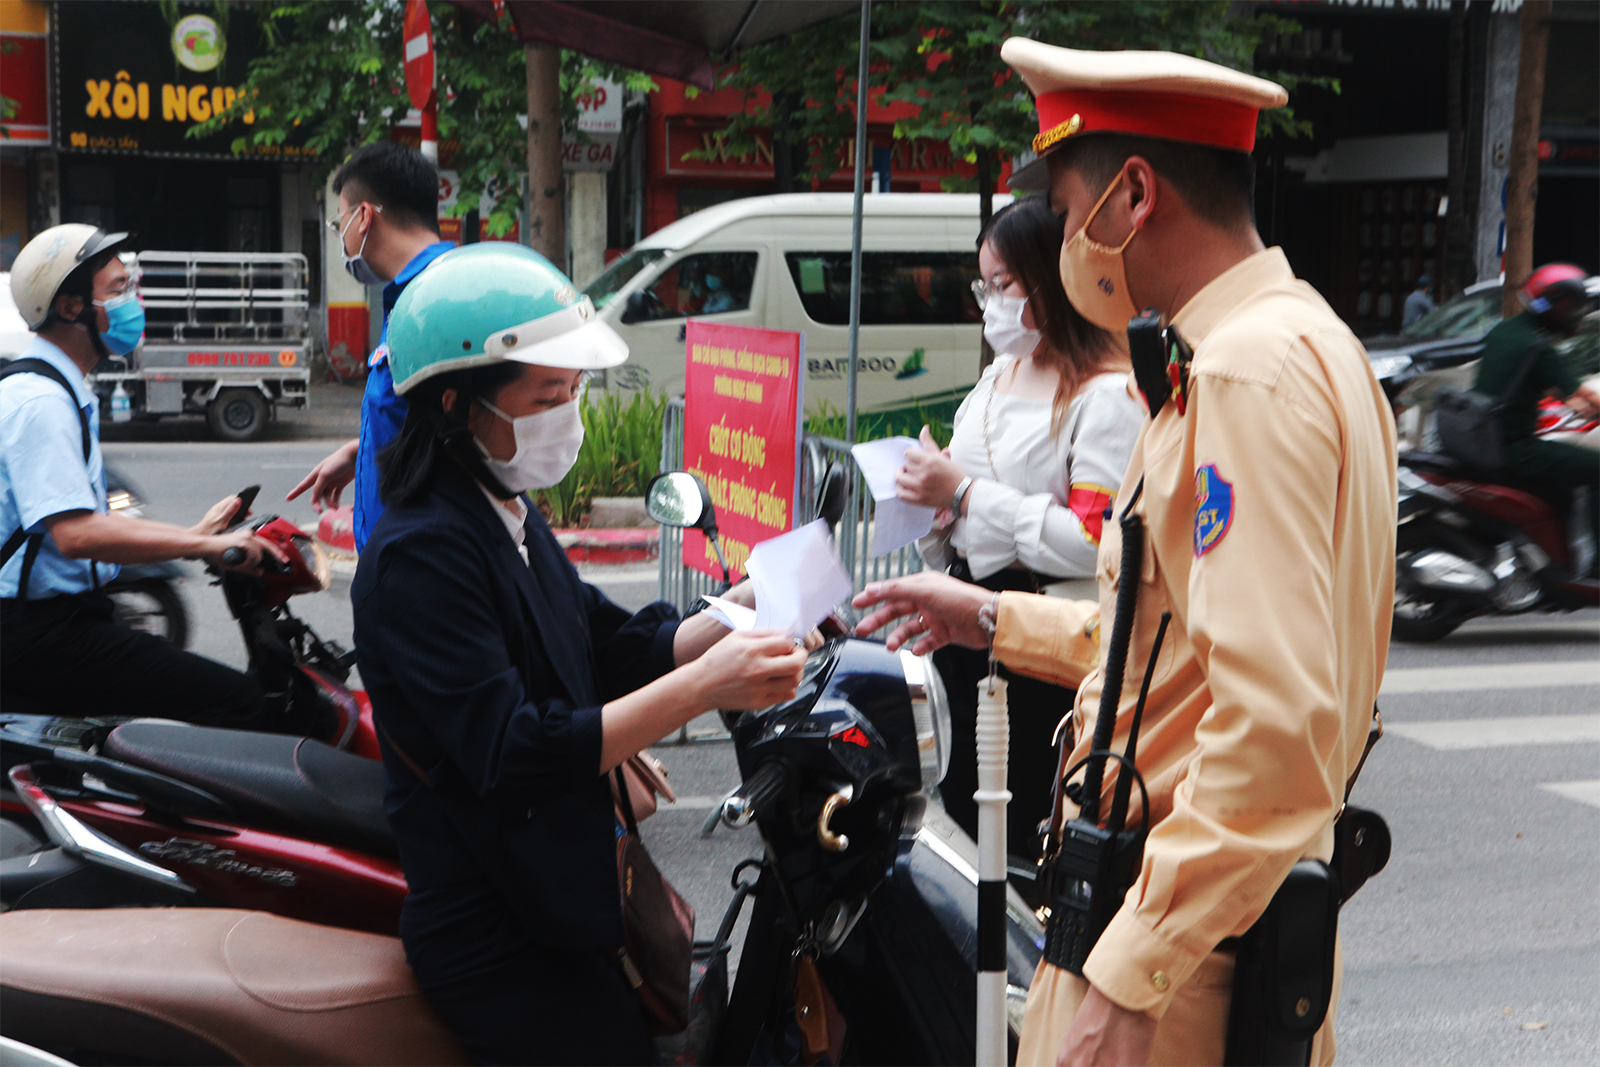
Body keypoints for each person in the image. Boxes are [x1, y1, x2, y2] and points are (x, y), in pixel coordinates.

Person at [853, 40, 1397, 1067]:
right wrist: (991, 617)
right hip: (1204, 940)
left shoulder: (1239, 374)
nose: (1062, 239)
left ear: (1132, 195)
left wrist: (1129, 970)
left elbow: (1276, 721)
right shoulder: (1307, 343)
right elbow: (1179, 643)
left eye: (1063, 210)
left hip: (1173, 967)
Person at [350, 242, 809, 1065]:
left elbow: (603, 641)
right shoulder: (421, 554)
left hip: (558, 894)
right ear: (457, 404)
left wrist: (735, 614)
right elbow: (513, 748)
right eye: (548, 395)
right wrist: (705, 685)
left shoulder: (505, 515)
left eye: (573, 392)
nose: (569, 413)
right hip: (497, 925)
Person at [894, 195, 1140, 859]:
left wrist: (968, 494)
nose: (989, 302)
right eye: (984, 285)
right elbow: (960, 503)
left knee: (1026, 817)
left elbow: (1095, 543)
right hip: (965, 621)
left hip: (1045, 639)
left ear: (1051, 279)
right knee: (968, 817)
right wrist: (934, 502)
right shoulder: (997, 376)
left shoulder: (1106, 395)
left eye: (1002, 285)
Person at [3, 224, 284, 724]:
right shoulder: (41, 402)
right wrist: (202, 547)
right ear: (71, 307)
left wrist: (194, 535)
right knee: (242, 703)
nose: (133, 303)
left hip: (59, 618)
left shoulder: (54, 388)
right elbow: (76, 534)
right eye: (117, 291)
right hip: (35, 633)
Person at [287, 142, 454, 551]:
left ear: (363, 216)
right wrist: (367, 450)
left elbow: (477, 440)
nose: (340, 235)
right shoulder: (414, 294)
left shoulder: (439, 301)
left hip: (423, 566)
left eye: (338, 221)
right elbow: (443, 423)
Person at [1472, 263, 1600, 557]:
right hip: (1517, 449)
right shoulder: (1538, 347)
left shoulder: (1505, 330)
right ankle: (1596, 569)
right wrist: (1585, 405)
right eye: (1569, 304)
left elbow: (1536, 384)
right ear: (1546, 304)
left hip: (1487, 440)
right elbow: (1585, 397)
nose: (1575, 312)